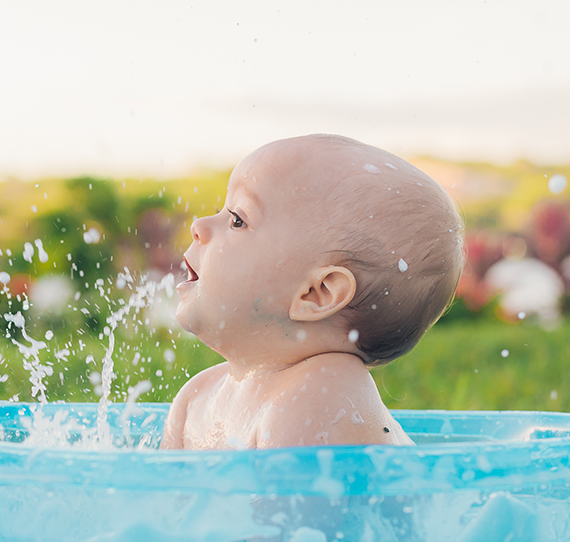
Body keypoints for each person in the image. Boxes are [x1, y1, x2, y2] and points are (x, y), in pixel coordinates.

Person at [160, 134, 463, 450]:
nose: (199, 225)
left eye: (237, 220)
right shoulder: (196, 397)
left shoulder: (322, 397)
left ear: (317, 293)